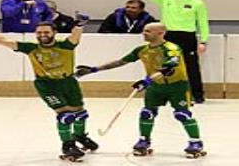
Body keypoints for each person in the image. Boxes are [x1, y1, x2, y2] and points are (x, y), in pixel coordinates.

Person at [0, 14, 98, 162]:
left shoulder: (65, 45)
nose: (42, 35)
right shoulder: (31, 48)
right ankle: (67, 145)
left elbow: (75, 36)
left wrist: (80, 24)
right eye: (39, 33)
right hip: (47, 85)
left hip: (68, 82)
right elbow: (5, 42)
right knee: (65, 116)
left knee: (80, 114)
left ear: (54, 33)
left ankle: (80, 136)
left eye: (46, 32)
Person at [75, 23, 206, 158]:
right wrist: (94, 69)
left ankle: (196, 142)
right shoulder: (142, 50)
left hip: (177, 87)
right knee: (147, 113)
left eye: (148, 31)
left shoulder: (172, 49)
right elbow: (121, 62)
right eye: (144, 30)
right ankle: (144, 141)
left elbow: (168, 69)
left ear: (161, 33)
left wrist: (147, 81)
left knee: (182, 114)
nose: (144, 33)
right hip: (156, 87)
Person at [137, 0, 210, 103]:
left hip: (187, 37)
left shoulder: (197, 3)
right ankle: (163, 95)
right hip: (168, 36)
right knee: (164, 66)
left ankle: (197, 95)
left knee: (190, 66)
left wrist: (203, 41)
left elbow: (203, 23)